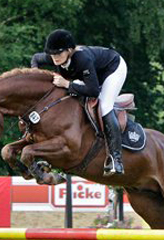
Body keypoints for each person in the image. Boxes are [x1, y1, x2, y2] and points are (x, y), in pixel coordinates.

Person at [31, 29, 126, 175]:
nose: (55, 57)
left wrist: (67, 84)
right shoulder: (54, 57)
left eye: (58, 53)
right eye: (52, 53)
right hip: (91, 73)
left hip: (112, 69)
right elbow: (35, 59)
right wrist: (35, 73)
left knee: (104, 105)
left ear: (69, 50)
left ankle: (116, 159)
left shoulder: (82, 59)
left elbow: (93, 91)